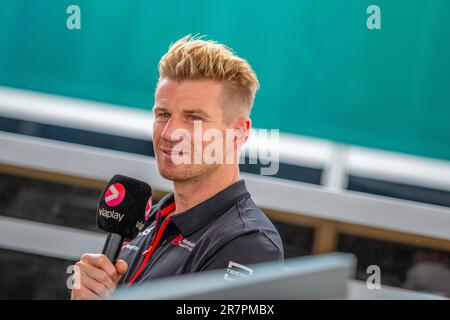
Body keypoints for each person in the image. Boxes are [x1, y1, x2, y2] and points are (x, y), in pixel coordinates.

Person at [71, 35, 283, 300]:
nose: (170, 133)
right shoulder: (152, 218)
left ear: (238, 133)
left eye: (194, 118)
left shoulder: (250, 244)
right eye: (163, 115)